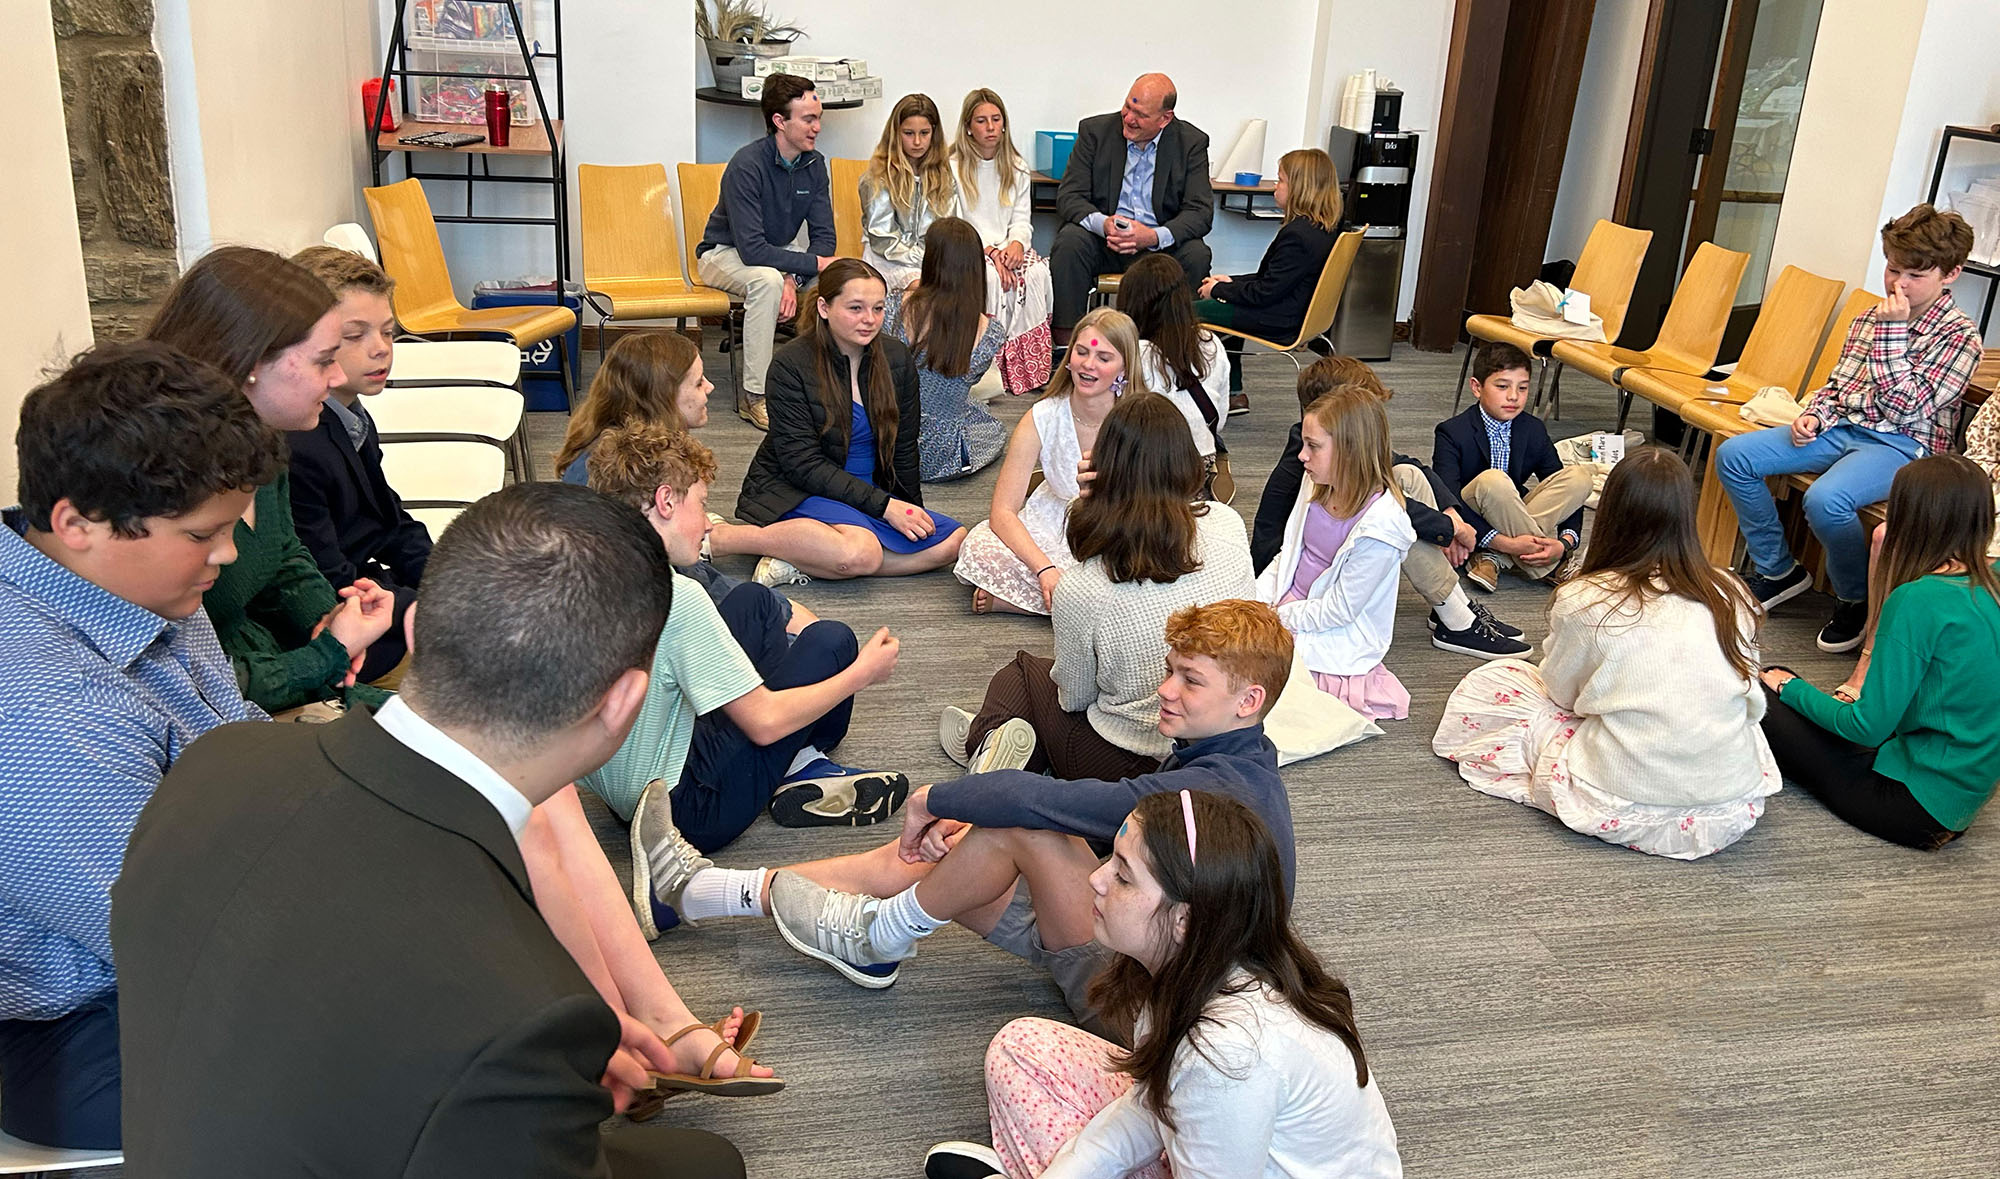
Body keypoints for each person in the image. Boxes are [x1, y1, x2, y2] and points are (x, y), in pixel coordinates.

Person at [113, 482, 746, 1177]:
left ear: (415, 632)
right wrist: (550, 1059)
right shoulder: (519, 1021)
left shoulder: (214, 762)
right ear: (624, 700)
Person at [0, 341, 283, 1152]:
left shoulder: (140, 584)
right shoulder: (40, 710)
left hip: (204, 915)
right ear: (76, 524)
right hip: (90, 1024)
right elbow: (180, 930)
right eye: (205, 534)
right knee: (429, 1056)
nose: (225, 555)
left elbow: (242, 745)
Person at [757, 601, 1297, 1018]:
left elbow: (1037, 802)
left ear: (1248, 701)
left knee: (1020, 826)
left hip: (1145, 1013)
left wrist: (932, 798)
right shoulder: (1244, 764)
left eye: (1190, 680)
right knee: (958, 842)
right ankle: (722, 892)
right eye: (1170, 670)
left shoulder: (1214, 793)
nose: (1164, 689)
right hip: (1150, 957)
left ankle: (876, 936)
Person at [925, 789, 1402, 1179]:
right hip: (1224, 1147)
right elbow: (1150, 1103)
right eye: (1111, 859)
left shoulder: (1226, 1054)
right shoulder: (1194, 974)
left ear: (1185, 923)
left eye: (1124, 877)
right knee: (1020, 1047)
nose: (1095, 878)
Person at [1433, 448, 1782, 859]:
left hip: (1619, 796)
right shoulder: (1731, 590)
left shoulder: (1586, 597)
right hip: (1730, 805)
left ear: (1612, 515)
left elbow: (1561, 694)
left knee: (1497, 680)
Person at [584, 422, 908, 861]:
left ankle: (787, 757)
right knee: (833, 643)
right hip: (688, 813)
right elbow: (764, 723)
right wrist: (859, 676)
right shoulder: (676, 596)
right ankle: (801, 761)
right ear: (664, 501)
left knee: (754, 601)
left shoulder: (583, 568)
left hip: (629, 794)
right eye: (701, 506)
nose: (707, 525)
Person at [1716, 204, 1982, 653]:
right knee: (1735, 455)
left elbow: (1907, 408)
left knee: (1826, 499)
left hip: (1905, 445)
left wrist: (1892, 336)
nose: (1899, 284)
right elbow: (1840, 384)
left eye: (1915, 276)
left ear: (1950, 274)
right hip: (1843, 428)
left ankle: (1855, 597)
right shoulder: (1866, 318)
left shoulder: (1960, 337)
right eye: (1893, 269)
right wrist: (1815, 414)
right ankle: (1779, 568)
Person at [953, 391, 1255, 784]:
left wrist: (1091, 509)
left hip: (1128, 761)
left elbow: (1073, 698)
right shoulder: (1228, 522)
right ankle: (1017, 747)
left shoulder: (1084, 586)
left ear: (1104, 467)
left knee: (1021, 675)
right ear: (1186, 460)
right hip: (1218, 741)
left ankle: (990, 746)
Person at [146, 246, 398, 713]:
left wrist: (329, 616)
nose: (338, 374)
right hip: (234, 700)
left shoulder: (265, 438)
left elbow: (284, 555)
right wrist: (328, 651)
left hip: (275, 670)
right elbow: (200, 680)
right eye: (325, 359)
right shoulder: (162, 480)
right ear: (249, 365)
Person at [1758, 454, 2000, 850]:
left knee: (1761, 692)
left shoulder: (1918, 599)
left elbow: (1866, 727)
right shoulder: (1991, 580)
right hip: (1959, 793)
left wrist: (1791, 688)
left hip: (1910, 803)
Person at [1252, 356, 1529, 660]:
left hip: (1334, 546)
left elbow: (1408, 465)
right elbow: (1390, 512)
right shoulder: (1313, 458)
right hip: (1293, 574)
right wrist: (1449, 529)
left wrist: (1451, 515)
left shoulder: (1328, 446)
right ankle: (1455, 617)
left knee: (1408, 477)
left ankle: (1452, 605)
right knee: (1403, 522)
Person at [731, 258, 967, 585]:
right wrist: (885, 508)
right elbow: (802, 464)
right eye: (856, 308)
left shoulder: (897, 358)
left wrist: (909, 510)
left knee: (953, 541)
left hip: (869, 492)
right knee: (862, 551)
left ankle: (803, 556)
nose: (869, 320)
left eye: (879, 309)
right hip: (801, 488)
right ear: (824, 308)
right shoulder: (791, 364)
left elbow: (904, 447)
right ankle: (730, 539)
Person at [284, 245, 429, 685]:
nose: (380, 349)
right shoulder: (299, 443)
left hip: (374, 594)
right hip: (343, 630)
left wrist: (449, 581)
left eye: (388, 332)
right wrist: (421, 607)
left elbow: (390, 522)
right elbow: (329, 576)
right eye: (355, 336)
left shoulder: (350, 414)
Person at [955, 307, 1161, 615]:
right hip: (1052, 527)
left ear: (1124, 367)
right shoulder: (1043, 415)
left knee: (1139, 575)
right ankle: (1069, 602)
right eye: (1081, 352)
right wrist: (1044, 569)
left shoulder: (1141, 419)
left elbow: (1156, 503)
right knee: (979, 547)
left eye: (1104, 358)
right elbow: (1002, 511)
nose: (1088, 365)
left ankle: (1023, 604)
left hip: (1116, 530)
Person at [1258, 385, 1416, 720]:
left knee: (1249, 667)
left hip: (1326, 622)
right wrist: (1256, 597)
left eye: (1313, 446)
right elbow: (1289, 555)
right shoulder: (1315, 481)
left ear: (1349, 451)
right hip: (1287, 600)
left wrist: (1274, 618)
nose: (1302, 455)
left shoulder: (1383, 527)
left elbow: (1339, 610)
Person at [695, 72, 837, 430]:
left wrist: (793, 275)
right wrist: (795, 269)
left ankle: (824, 387)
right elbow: (752, 249)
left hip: (778, 257)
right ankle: (754, 396)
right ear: (779, 121)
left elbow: (825, 239)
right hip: (722, 253)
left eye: (818, 118)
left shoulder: (815, 165)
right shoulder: (746, 165)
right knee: (766, 281)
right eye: (808, 119)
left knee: (840, 278)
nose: (817, 127)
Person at [1051, 73, 1214, 342]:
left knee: (1196, 254)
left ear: (1165, 118)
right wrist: (1103, 224)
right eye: (1127, 107)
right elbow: (1070, 196)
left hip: (1158, 247)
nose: (1128, 118)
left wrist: (1153, 236)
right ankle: (1065, 346)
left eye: (1140, 114)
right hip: (1105, 242)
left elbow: (1200, 212)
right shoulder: (1095, 132)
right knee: (1070, 241)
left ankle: (1177, 349)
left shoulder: (1191, 143)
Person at [1434, 341, 1593, 591]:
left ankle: (1493, 559)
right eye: (1502, 386)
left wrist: (1564, 542)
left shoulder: (1532, 428)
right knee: (1493, 480)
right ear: (1476, 387)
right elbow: (1447, 499)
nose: (1513, 397)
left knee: (1579, 477)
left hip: (1512, 510)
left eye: (1523, 388)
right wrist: (1505, 543)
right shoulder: (1452, 432)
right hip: (1471, 514)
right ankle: (1551, 565)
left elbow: (1557, 481)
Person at [1196, 146, 1344, 412]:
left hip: (1278, 318)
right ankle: (1233, 393)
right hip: (1289, 311)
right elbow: (1274, 279)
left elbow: (1264, 292)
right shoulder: (1321, 229)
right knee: (1221, 307)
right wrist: (1230, 282)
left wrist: (1219, 290)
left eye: (1281, 180)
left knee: (1188, 311)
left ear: (1300, 188)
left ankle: (1191, 393)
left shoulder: (1297, 235)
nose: (1276, 186)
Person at [885, 216, 1008, 481]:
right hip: (941, 455)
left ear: (930, 260)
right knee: (988, 422)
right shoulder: (990, 332)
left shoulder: (894, 307)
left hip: (888, 445)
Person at [951, 86, 1054, 394]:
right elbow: (956, 223)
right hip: (972, 248)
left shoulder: (1017, 166)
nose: (991, 127)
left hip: (1008, 247)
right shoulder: (954, 167)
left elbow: (1023, 220)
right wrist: (992, 253)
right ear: (968, 126)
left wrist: (1017, 246)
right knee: (991, 279)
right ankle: (989, 373)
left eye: (996, 119)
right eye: (982, 120)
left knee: (1036, 273)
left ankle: (1027, 371)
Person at [554, 330, 714, 485]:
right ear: (664, 396)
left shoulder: (621, 453)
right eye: (699, 383)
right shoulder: (632, 476)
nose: (710, 387)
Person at [1119, 251, 1226, 465]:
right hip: (1198, 461)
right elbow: (1220, 419)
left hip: (1141, 466)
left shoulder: (1129, 351)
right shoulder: (1211, 341)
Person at [860, 92, 956, 294]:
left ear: (934, 133)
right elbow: (882, 238)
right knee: (922, 288)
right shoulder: (878, 177)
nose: (917, 142)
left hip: (929, 259)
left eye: (924, 133)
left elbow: (946, 228)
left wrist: (933, 260)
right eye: (909, 133)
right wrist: (924, 260)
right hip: (886, 258)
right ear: (896, 133)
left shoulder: (944, 176)